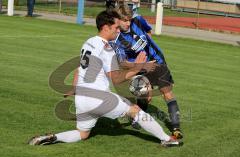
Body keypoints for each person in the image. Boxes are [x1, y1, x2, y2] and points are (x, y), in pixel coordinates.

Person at [28, 10, 181, 147]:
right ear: (106, 27)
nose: (118, 30)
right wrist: (139, 67)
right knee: (135, 111)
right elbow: (117, 79)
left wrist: (74, 88)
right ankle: (167, 139)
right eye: (115, 27)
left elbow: (79, 69)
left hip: (81, 99)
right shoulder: (108, 49)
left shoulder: (88, 43)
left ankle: (54, 137)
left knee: (82, 134)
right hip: (99, 97)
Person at [113, 4, 183, 139]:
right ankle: (137, 116)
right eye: (125, 20)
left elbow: (148, 31)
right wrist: (141, 64)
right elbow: (123, 62)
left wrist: (150, 47)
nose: (128, 23)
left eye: (129, 19)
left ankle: (176, 128)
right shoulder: (117, 39)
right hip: (140, 68)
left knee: (167, 94)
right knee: (147, 96)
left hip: (158, 62)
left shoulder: (138, 20)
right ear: (117, 20)